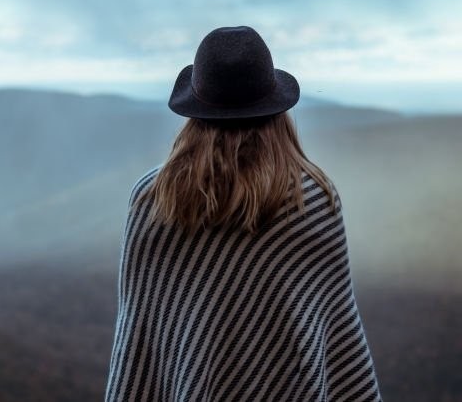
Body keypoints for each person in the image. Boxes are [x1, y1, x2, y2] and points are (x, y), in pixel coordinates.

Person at [105, 25, 383, 401]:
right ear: (277, 110)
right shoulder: (314, 201)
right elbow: (341, 359)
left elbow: (138, 355)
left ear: (195, 111)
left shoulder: (152, 200)